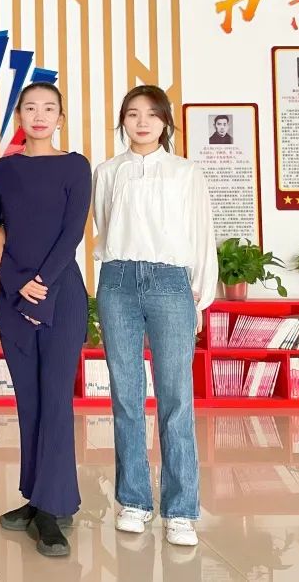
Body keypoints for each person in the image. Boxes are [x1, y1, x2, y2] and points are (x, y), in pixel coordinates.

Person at [92, 84, 216, 548]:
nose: (141, 122)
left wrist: (198, 297)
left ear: (166, 121)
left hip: (170, 282)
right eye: (132, 113)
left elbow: (201, 233)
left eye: (151, 113)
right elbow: (104, 224)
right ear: (122, 121)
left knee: (176, 397)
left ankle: (181, 510)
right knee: (125, 396)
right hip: (118, 281)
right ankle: (134, 501)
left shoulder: (186, 173)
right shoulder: (108, 172)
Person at [0, 82, 91, 557]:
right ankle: (35, 495)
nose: (39, 115)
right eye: (30, 108)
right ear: (19, 117)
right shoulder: (2, 170)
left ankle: (53, 508)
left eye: (49, 108)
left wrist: (40, 282)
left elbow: (72, 233)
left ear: (60, 118)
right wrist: (19, 281)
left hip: (61, 295)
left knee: (56, 402)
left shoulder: (75, 166)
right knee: (29, 403)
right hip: (14, 299)